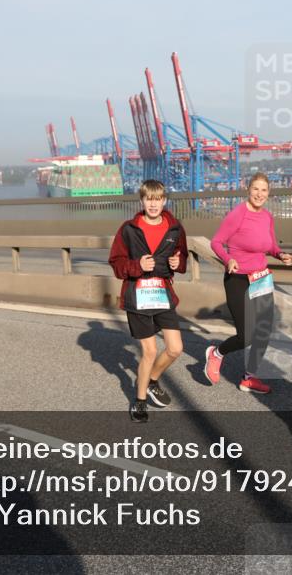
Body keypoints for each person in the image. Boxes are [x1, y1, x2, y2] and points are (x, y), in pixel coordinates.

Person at [205, 173, 292, 394]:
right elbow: (216, 242)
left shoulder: (267, 217)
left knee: (263, 329)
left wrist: (280, 254)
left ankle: (249, 378)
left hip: (260, 277)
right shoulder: (238, 214)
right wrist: (228, 259)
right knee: (246, 335)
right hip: (238, 278)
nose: (259, 194)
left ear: (269, 193)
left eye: (264, 190)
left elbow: (271, 245)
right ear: (248, 189)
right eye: (255, 189)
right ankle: (216, 353)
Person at [109, 180, 188, 423]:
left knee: (175, 348)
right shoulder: (128, 229)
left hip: (162, 293)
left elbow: (182, 255)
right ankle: (140, 401)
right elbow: (116, 263)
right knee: (150, 351)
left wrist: (178, 263)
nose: (153, 204)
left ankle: (152, 380)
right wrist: (137, 266)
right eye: (148, 199)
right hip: (138, 295)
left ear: (164, 201)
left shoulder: (175, 228)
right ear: (142, 201)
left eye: (157, 199)